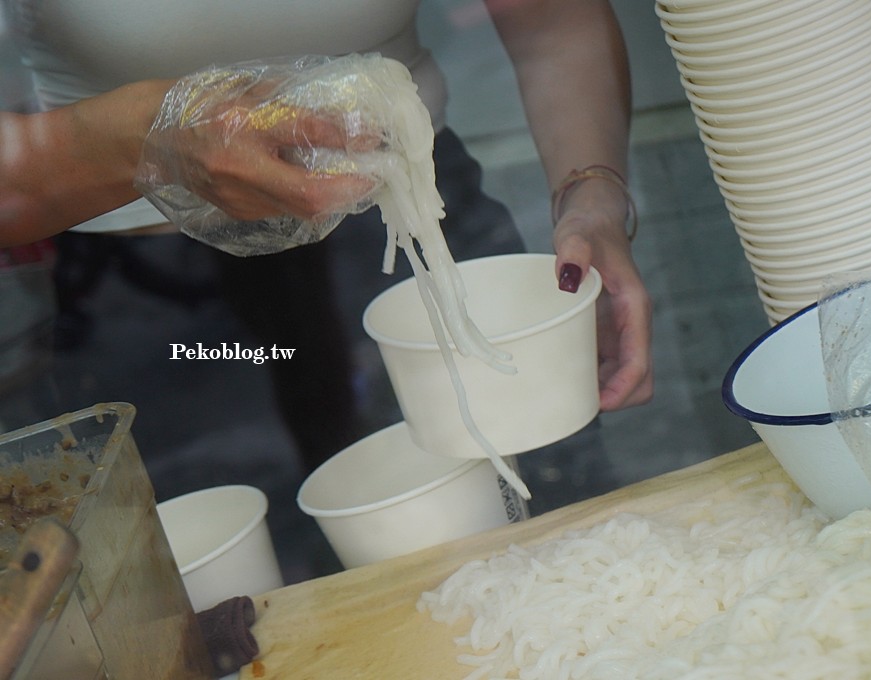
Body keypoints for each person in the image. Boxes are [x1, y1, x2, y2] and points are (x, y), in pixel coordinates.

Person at [0, 1, 653, 476]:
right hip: (158, 291)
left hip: (415, 227)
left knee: (543, 525)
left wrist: (591, 199)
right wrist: (147, 139)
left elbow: (552, 24)